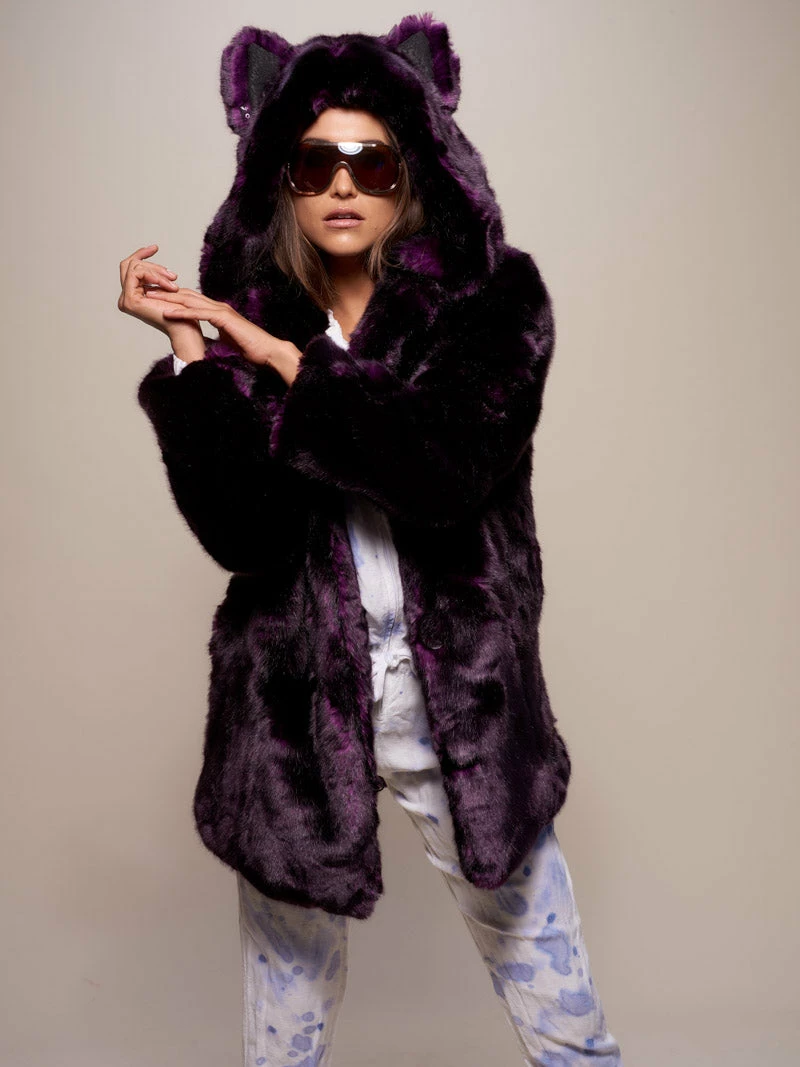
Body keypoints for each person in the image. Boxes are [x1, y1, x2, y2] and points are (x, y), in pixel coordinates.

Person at [120, 14, 624, 1067]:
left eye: (372, 161)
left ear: (412, 173)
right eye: (315, 163)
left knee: (560, 1003)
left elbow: (440, 475)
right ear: (282, 182)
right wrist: (195, 357)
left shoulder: (493, 308)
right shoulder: (245, 325)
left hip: (468, 699)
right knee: (284, 1023)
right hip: (296, 708)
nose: (343, 184)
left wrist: (291, 366)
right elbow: (244, 533)